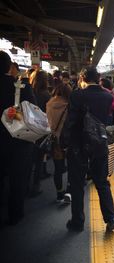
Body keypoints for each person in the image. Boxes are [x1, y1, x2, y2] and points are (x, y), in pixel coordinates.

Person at [65, 66, 114, 232]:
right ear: (98, 77)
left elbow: (71, 122)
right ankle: (111, 219)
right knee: (102, 182)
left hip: (78, 145)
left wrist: (64, 141)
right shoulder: (107, 97)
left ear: (82, 78)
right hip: (99, 143)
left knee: (77, 184)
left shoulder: (76, 95)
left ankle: (78, 221)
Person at [0, 51, 36, 225]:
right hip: (18, 139)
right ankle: (15, 213)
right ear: (9, 67)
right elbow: (33, 112)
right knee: (18, 178)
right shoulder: (21, 86)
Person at [46, 82, 72, 203]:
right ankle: (68, 192)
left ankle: (59, 194)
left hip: (54, 140)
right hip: (68, 140)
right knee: (71, 167)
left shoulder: (49, 104)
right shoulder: (68, 105)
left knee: (58, 168)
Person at [30, 70, 51, 196]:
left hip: (27, 130)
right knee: (38, 160)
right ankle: (35, 186)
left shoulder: (28, 91)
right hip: (41, 131)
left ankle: (24, 187)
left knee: (27, 160)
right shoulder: (46, 95)